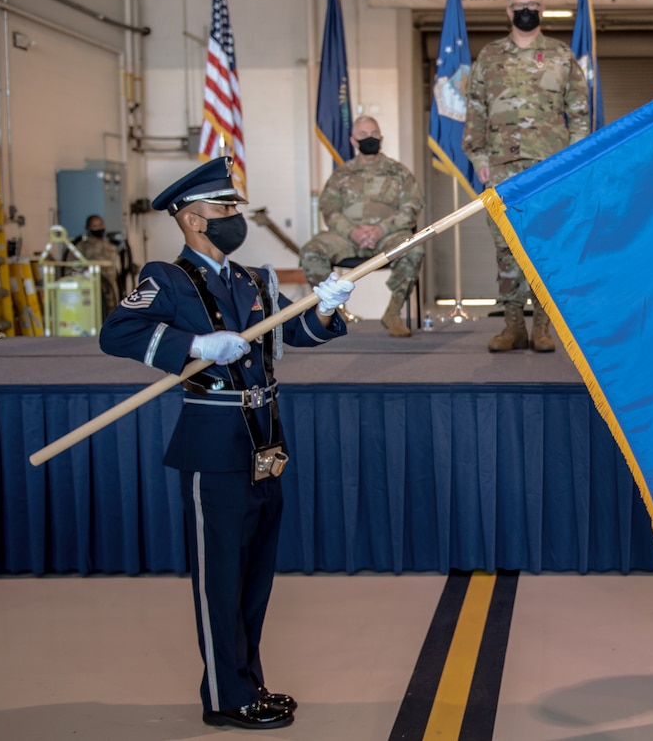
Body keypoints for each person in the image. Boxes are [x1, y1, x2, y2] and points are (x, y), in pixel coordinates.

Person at [99, 157, 355, 730]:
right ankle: (225, 697)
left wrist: (327, 305)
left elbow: (293, 333)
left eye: (234, 207)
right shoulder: (165, 279)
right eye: (224, 208)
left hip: (265, 442)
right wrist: (196, 344)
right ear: (192, 220)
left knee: (253, 575)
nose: (234, 217)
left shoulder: (251, 279)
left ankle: (249, 682)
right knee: (219, 580)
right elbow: (115, 333)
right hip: (213, 445)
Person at [463, 0, 589, 352]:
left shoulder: (561, 56)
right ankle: (513, 327)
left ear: (542, 10)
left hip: (548, 170)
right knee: (506, 250)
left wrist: (572, 164)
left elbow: (580, 114)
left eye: (533, 4)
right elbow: (475, 114)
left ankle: (543, 329)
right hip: (501, 168)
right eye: (520, 5)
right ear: (507, 11)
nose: (526, 10)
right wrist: (480, 159)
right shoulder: (488, 57)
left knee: (544, 246)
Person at [299, 115, 423, 337]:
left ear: (381, 138)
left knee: (414, 248)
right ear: (353, 141)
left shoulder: (400, 172)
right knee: (311, 250)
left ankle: (393, 313)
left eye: (374, 134)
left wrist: (381, 230)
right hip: (347, 238)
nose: (370, 139)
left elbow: (411, 208)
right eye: (363, 135)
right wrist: (353, 232)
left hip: (388, 236)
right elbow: (330, 209)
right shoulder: (341, 175)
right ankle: (330, 313)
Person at [71, 214, 119, 320]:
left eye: (100, 225)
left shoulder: (109, 246)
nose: (99, 228)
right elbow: (73, 267)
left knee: (111, 315)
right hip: (91, 289)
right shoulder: (82, 246)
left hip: (110, 288)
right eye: (95, 226)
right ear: (88, 228)